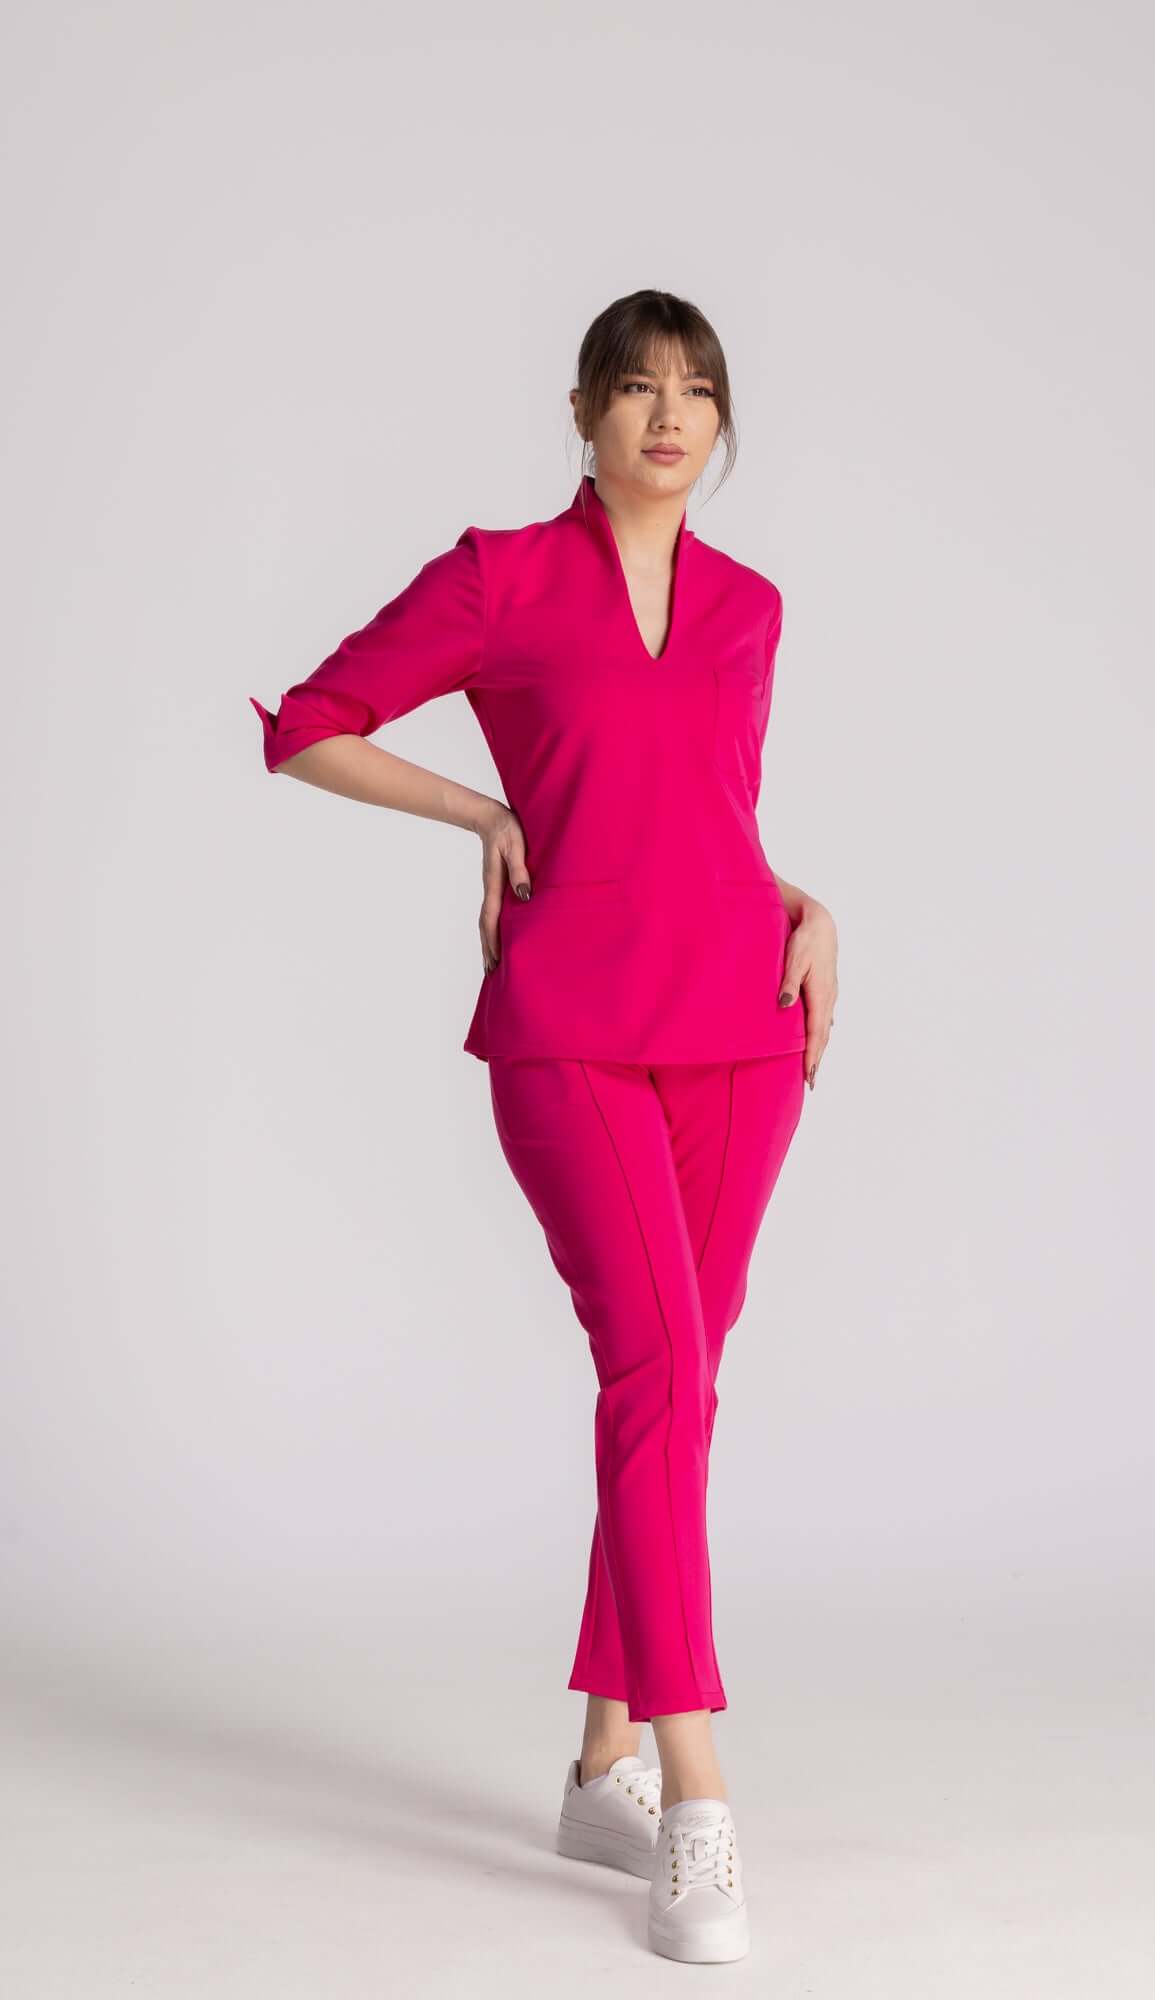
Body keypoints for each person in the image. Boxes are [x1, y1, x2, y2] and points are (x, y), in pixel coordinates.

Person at [249, 289, 838, 1963]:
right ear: (582, 411)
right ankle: (697, 1803)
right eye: (635, 386)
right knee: (654, 1365)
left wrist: (804, 903)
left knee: (679, 1385)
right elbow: (308, 727)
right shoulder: (500, 578)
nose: (669, 414)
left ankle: (597, 1770)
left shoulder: (750, 607)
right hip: (573, 1024)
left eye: (696, 389)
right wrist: (479, 812)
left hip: (743, 1021)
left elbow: (698, 812)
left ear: (720, 421)